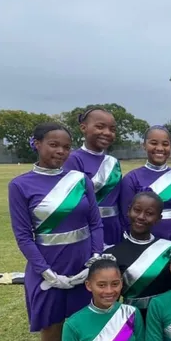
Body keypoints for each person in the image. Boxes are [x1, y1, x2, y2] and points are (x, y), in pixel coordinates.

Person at [8, 122, 104, 341]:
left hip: (83, 267)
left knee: (86, 332)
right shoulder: (20, 185)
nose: (61, 151)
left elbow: (95, 223)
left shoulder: (80, 179)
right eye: (53, 144)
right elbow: (23, 236)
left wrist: (94, 259)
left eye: (66, 146)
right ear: (36, 144)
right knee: (52, 336)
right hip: (47, 271)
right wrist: (46, 272)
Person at [119, 125, 171, 244]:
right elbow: (126, 218)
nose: (160, 148)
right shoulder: (131, 178)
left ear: (170, 147)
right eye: (154, 143)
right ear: (144, 145)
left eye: (165, 144)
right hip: (144, 244)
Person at [106, 191, 171, 318]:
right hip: (130, 318)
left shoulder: (170, 250)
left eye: (149, 213)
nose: (141, 217)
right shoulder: (112, 254)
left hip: (165, 317)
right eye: (137, 210)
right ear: (128, 211)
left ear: (158, 218)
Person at [63, 106, 123, 247]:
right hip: (88, 228)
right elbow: (72, 202)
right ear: (83, 128)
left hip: (114, 228)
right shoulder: (73, 160)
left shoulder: (113, 162)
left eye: (112, 129)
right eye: (100, 127)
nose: (107, 133)